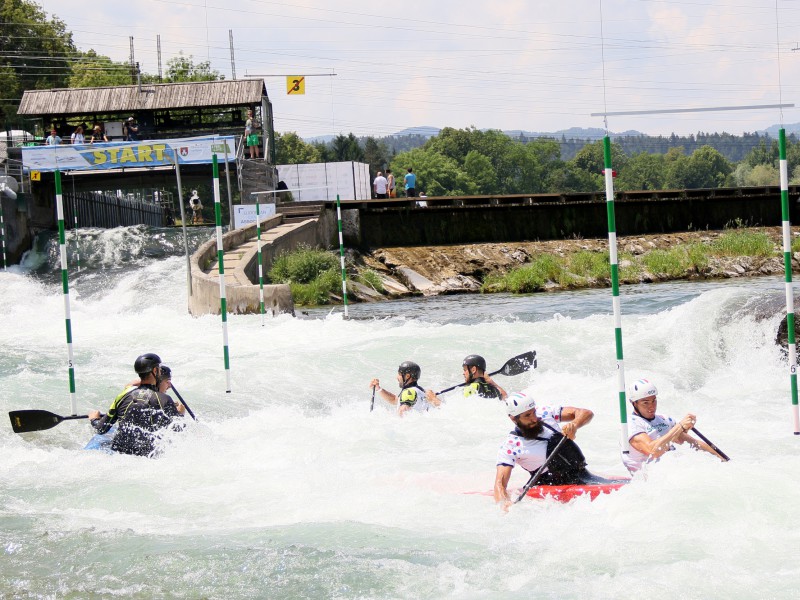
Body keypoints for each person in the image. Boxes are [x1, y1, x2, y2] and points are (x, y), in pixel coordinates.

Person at [493, 390, 599, 510]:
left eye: (533, 412)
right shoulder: (511, 446)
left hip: (582, 474)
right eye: (527, 415)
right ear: (513, 418)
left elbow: (586, 413)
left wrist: (574, 424)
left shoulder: (545, 413)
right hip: (551, 485)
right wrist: (504, 503)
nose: (534, 419)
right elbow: (500, 484)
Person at [88, 353, 185, 457]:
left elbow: (101, 429)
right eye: (160, 370)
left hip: (118, 454)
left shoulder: (123, 396)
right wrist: (180, 414)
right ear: (155, 371)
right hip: (146, 457)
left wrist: (94, 419)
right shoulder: (164, 399)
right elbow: (177, 430)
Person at [623, 378, 724, 474]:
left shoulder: (664, 419)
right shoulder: (630, 424)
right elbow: (653, 451)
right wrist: (679, 427)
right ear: (634, 404)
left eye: (654, 400)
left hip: (674, 468)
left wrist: (721, 458)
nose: (652, 406)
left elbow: (693, 443)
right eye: (645, 403)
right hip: (650, 475)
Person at [370, 361, 440, 415]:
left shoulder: (409, 392)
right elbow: (394, 400)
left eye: (399, 374)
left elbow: (402, 412)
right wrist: (378, 388)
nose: (397, 377)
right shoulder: (419, 391)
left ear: (407, 376)